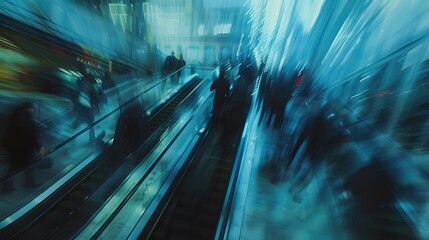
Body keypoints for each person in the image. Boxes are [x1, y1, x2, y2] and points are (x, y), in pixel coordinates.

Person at [1, 102, 45, 192]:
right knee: (29, 165)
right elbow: (31, 136)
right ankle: (28, 183)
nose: (34, 111)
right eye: (33, 109)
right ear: (29, 109)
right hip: (23, 149)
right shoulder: (27, 119)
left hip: (13, 147)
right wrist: (39, 147)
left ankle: (7, 186)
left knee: (13, 167)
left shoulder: (15, 116)